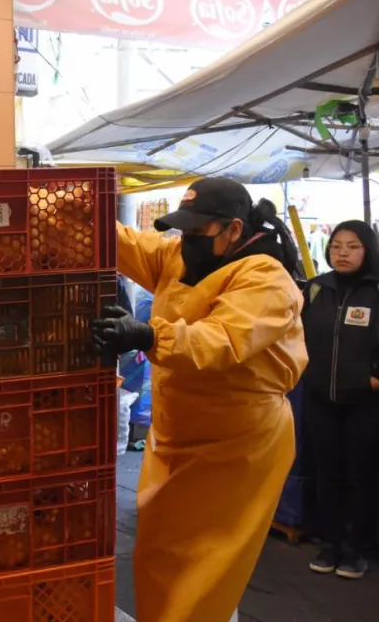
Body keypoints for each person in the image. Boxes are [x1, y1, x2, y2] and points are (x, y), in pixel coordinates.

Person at [92, 177, 307, 622]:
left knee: (205, 566)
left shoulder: (265, 278)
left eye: (197, 231)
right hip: (179, 434)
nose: (185, 240)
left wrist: (149, 333)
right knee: (161, 552)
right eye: (183, 231)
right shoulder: (178, 256)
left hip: (240, 444)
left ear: (232, 229)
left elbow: (223, 340)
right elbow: (126, 242)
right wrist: (70, 211)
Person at [301, 220, 379, 579]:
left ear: (368, 250)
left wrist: (373, 377)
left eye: (352, 246)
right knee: (326, 472)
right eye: (336, 246)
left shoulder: (375, 289)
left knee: (360, 476)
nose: (343, 253)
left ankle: (355, 549)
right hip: (320, 399)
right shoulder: (317, 288)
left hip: (364, 403)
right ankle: (330, 542)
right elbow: (297, 333)